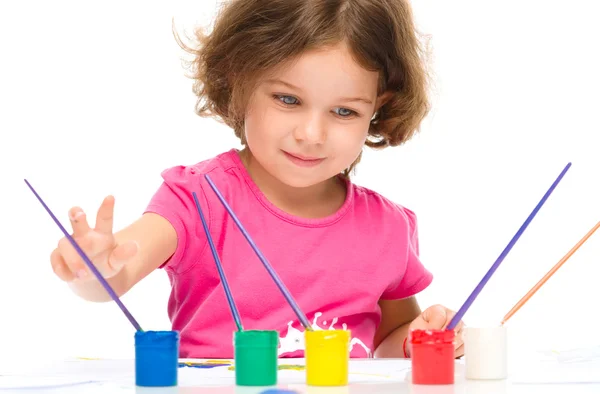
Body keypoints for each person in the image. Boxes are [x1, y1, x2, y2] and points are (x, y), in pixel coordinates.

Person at [49, 0, 465, 359]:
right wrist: (96, 268)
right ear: (239, 80)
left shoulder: (387, 228)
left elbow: (389, 342)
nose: (311, 134)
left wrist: (418, 340)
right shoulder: (198, 198)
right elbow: (118, 273)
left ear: (378, 107)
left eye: (344, 112)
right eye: (288, 99)